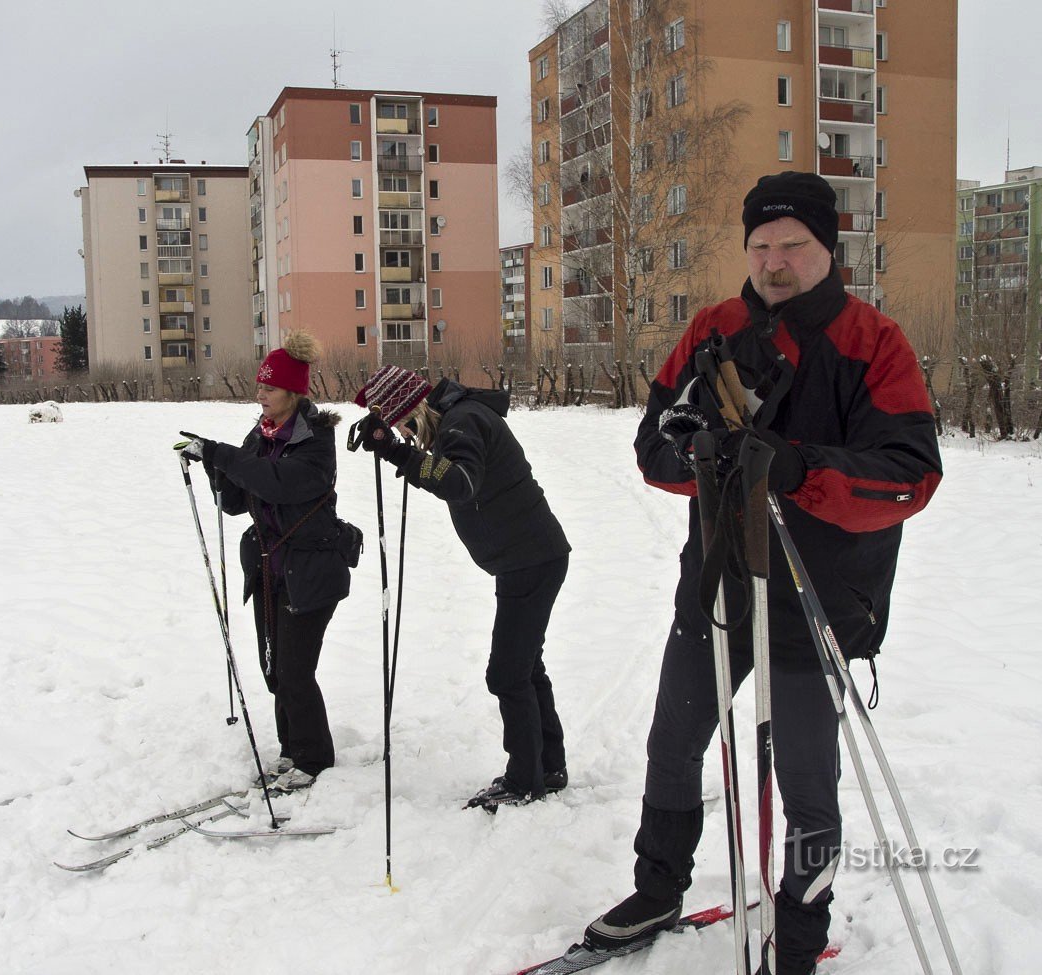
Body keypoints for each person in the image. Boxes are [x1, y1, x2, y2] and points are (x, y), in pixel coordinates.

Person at [582, 172, 942, 975]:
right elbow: (653, 446)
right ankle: (658, 884)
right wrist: (705, 457)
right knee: (674, 741)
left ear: (828, 249)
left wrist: (798, 468)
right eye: (761, 245)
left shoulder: (872, 342)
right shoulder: (714, 328)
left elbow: (910, 474)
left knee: (807, 783)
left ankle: (801, 935)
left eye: (794, 246)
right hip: (717, 584)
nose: (774, 261)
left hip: (817, 601)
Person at [352, 365, 571, 811]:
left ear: (414, 411)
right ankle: (547, 766)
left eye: (405, 426)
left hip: (530, 560)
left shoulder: (463, 421)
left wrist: (396, 452)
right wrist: (398, 452)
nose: (408, 435)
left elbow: (459, 482)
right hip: (528, 558)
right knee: (525, 667)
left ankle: (525, 780)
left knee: (507, 673)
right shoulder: (461, 416)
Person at [180, 331, 350, 794]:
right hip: (270, 566)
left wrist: (224, 455)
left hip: (312, 571)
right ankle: (291, 751)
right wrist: (213, 469)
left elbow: (280, 483)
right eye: (259, 387)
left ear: (293, 394)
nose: (260, 396)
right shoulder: (260, 433)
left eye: (268, 389)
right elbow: (239, 500)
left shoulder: (316, 440)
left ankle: (314, 759)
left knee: (296, 669)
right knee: (274, 669)